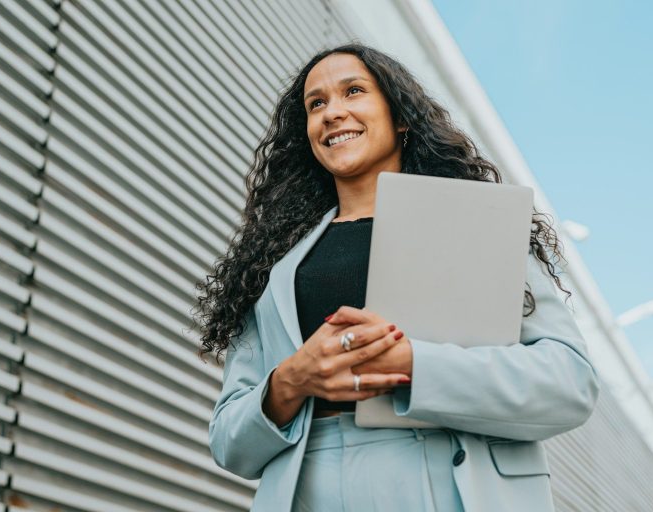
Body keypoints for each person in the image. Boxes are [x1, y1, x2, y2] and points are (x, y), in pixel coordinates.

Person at [196, 42, 600, 512]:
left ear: (401, 116)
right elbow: (229, 443)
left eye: (353, 91)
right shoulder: (270, 269)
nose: (332, 113)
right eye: (316, 104)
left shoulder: (475, 225)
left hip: (450, 481)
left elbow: (569, 383)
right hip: (312, 486)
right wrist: (290, 380)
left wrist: (412, 364)